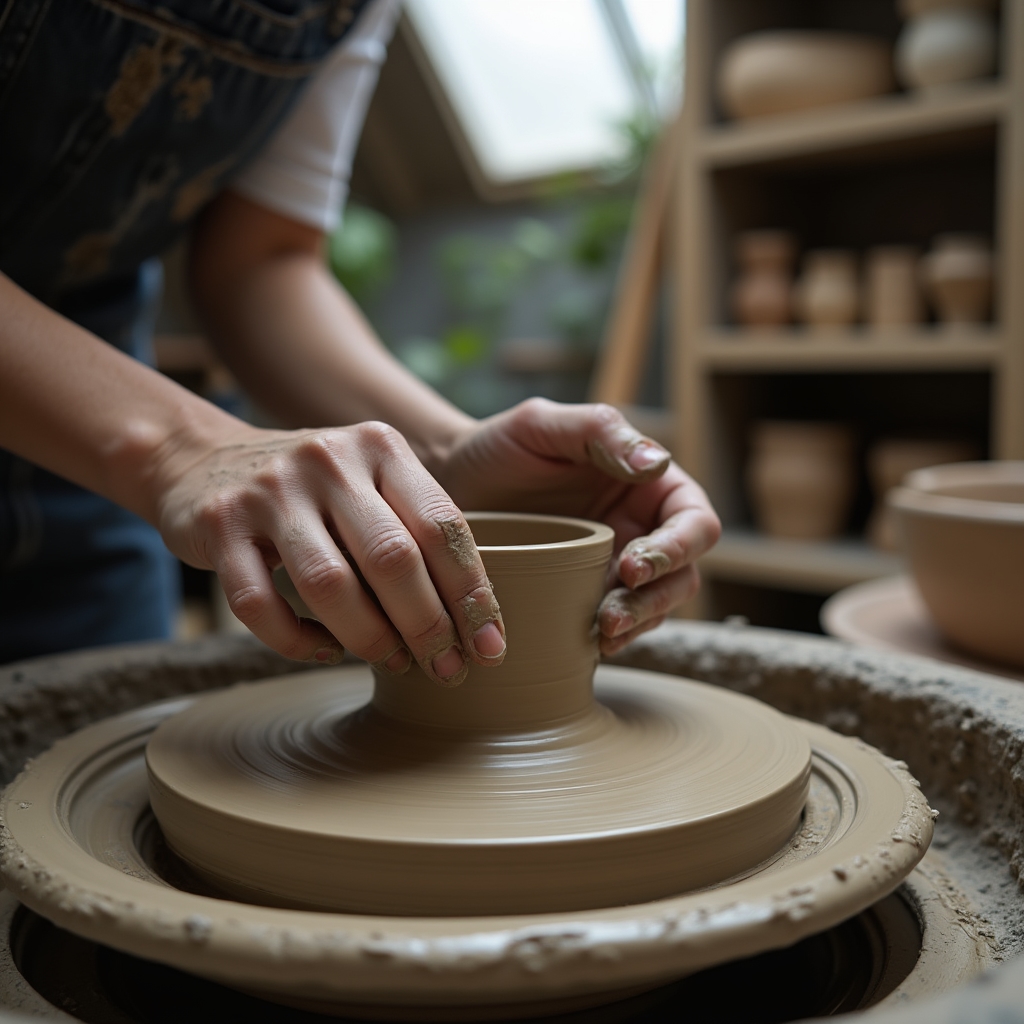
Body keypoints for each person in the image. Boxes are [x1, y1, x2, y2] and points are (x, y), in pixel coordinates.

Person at [0, 0, 720, 680]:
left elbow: (261, 261)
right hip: (114, 428)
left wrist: (442, 460)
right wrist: (177, 448)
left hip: (86, 462)